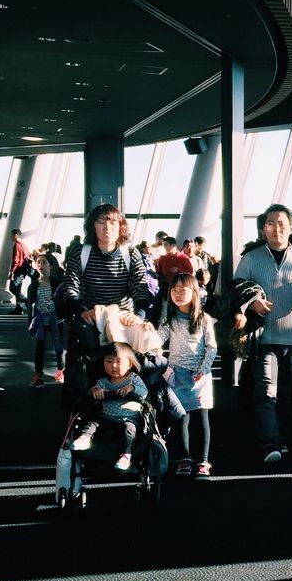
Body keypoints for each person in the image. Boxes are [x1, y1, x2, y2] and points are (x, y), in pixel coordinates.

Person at [233, 204, 292, 465]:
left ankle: (280, 438)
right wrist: (251, 304)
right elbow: (236, 288)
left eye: (282, 223)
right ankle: (269, 443)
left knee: (284, 394)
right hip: (262, 338)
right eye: (271, 223)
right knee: (265, 391)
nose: (277, 228)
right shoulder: (251, 259)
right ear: (264, 229)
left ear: (291, 227)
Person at [57, 204, 152, 406]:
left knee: (141, 363)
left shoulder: (131, 254)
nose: (107, 228)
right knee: (83, 366)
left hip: (123, 321)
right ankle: (82, 411)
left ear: (121, 226)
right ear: (93, 227)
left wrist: (139, 315)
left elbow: (141, 288)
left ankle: (141, 408)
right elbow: (69, 287)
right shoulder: (80, 253)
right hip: (91, 317)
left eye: (112, 222)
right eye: (101, 222)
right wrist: (82, 310)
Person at [158, 273, 218, 480]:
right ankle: (184, 459)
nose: (178, 294)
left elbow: (211, 347)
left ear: (195, 293)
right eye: (174, 290)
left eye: (184, 290)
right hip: (176, 375)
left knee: (201, 418)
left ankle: (202, 460)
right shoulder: (170, 319)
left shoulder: (204, 318)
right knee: (180, 418)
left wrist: (203, 369)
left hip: (199, 377)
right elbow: (157, 340)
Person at [70, 343, 149, 472]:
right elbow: (92, 392)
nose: (113, 366)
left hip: (127, 418)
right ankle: (84, 438)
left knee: (128, 430)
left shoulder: (133, 379)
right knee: (92, 423)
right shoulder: (103, 382)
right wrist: (96, 390)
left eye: (119, 362)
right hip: (106, 416)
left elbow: (144, 392)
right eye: (109, 361)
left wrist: (132, 388)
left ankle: (125, 456)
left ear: (129, 364)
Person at [28, 252, 64, 388]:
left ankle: (61, 370)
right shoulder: (33, 286)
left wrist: (63, 316)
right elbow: (31, 307)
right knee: (39, 348)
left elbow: (64, 302)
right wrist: (30, 326)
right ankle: (38, 375)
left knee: (59, 347)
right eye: (38, 262)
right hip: (41, 321)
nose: (40, 265)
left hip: (56, 320)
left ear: (51, 266)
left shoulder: (58, 283)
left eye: (44, 262)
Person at [8, 229, 30, 315]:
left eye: (11, 235)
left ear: (15, 235)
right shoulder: (23, 245)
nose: (10, 237)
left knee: (13, 288)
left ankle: (27, 301)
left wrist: (11, 272)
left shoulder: (17, 245)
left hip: (18, 270)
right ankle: (18, 308)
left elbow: (16, 260)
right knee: (17, 289)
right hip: (23, 270)